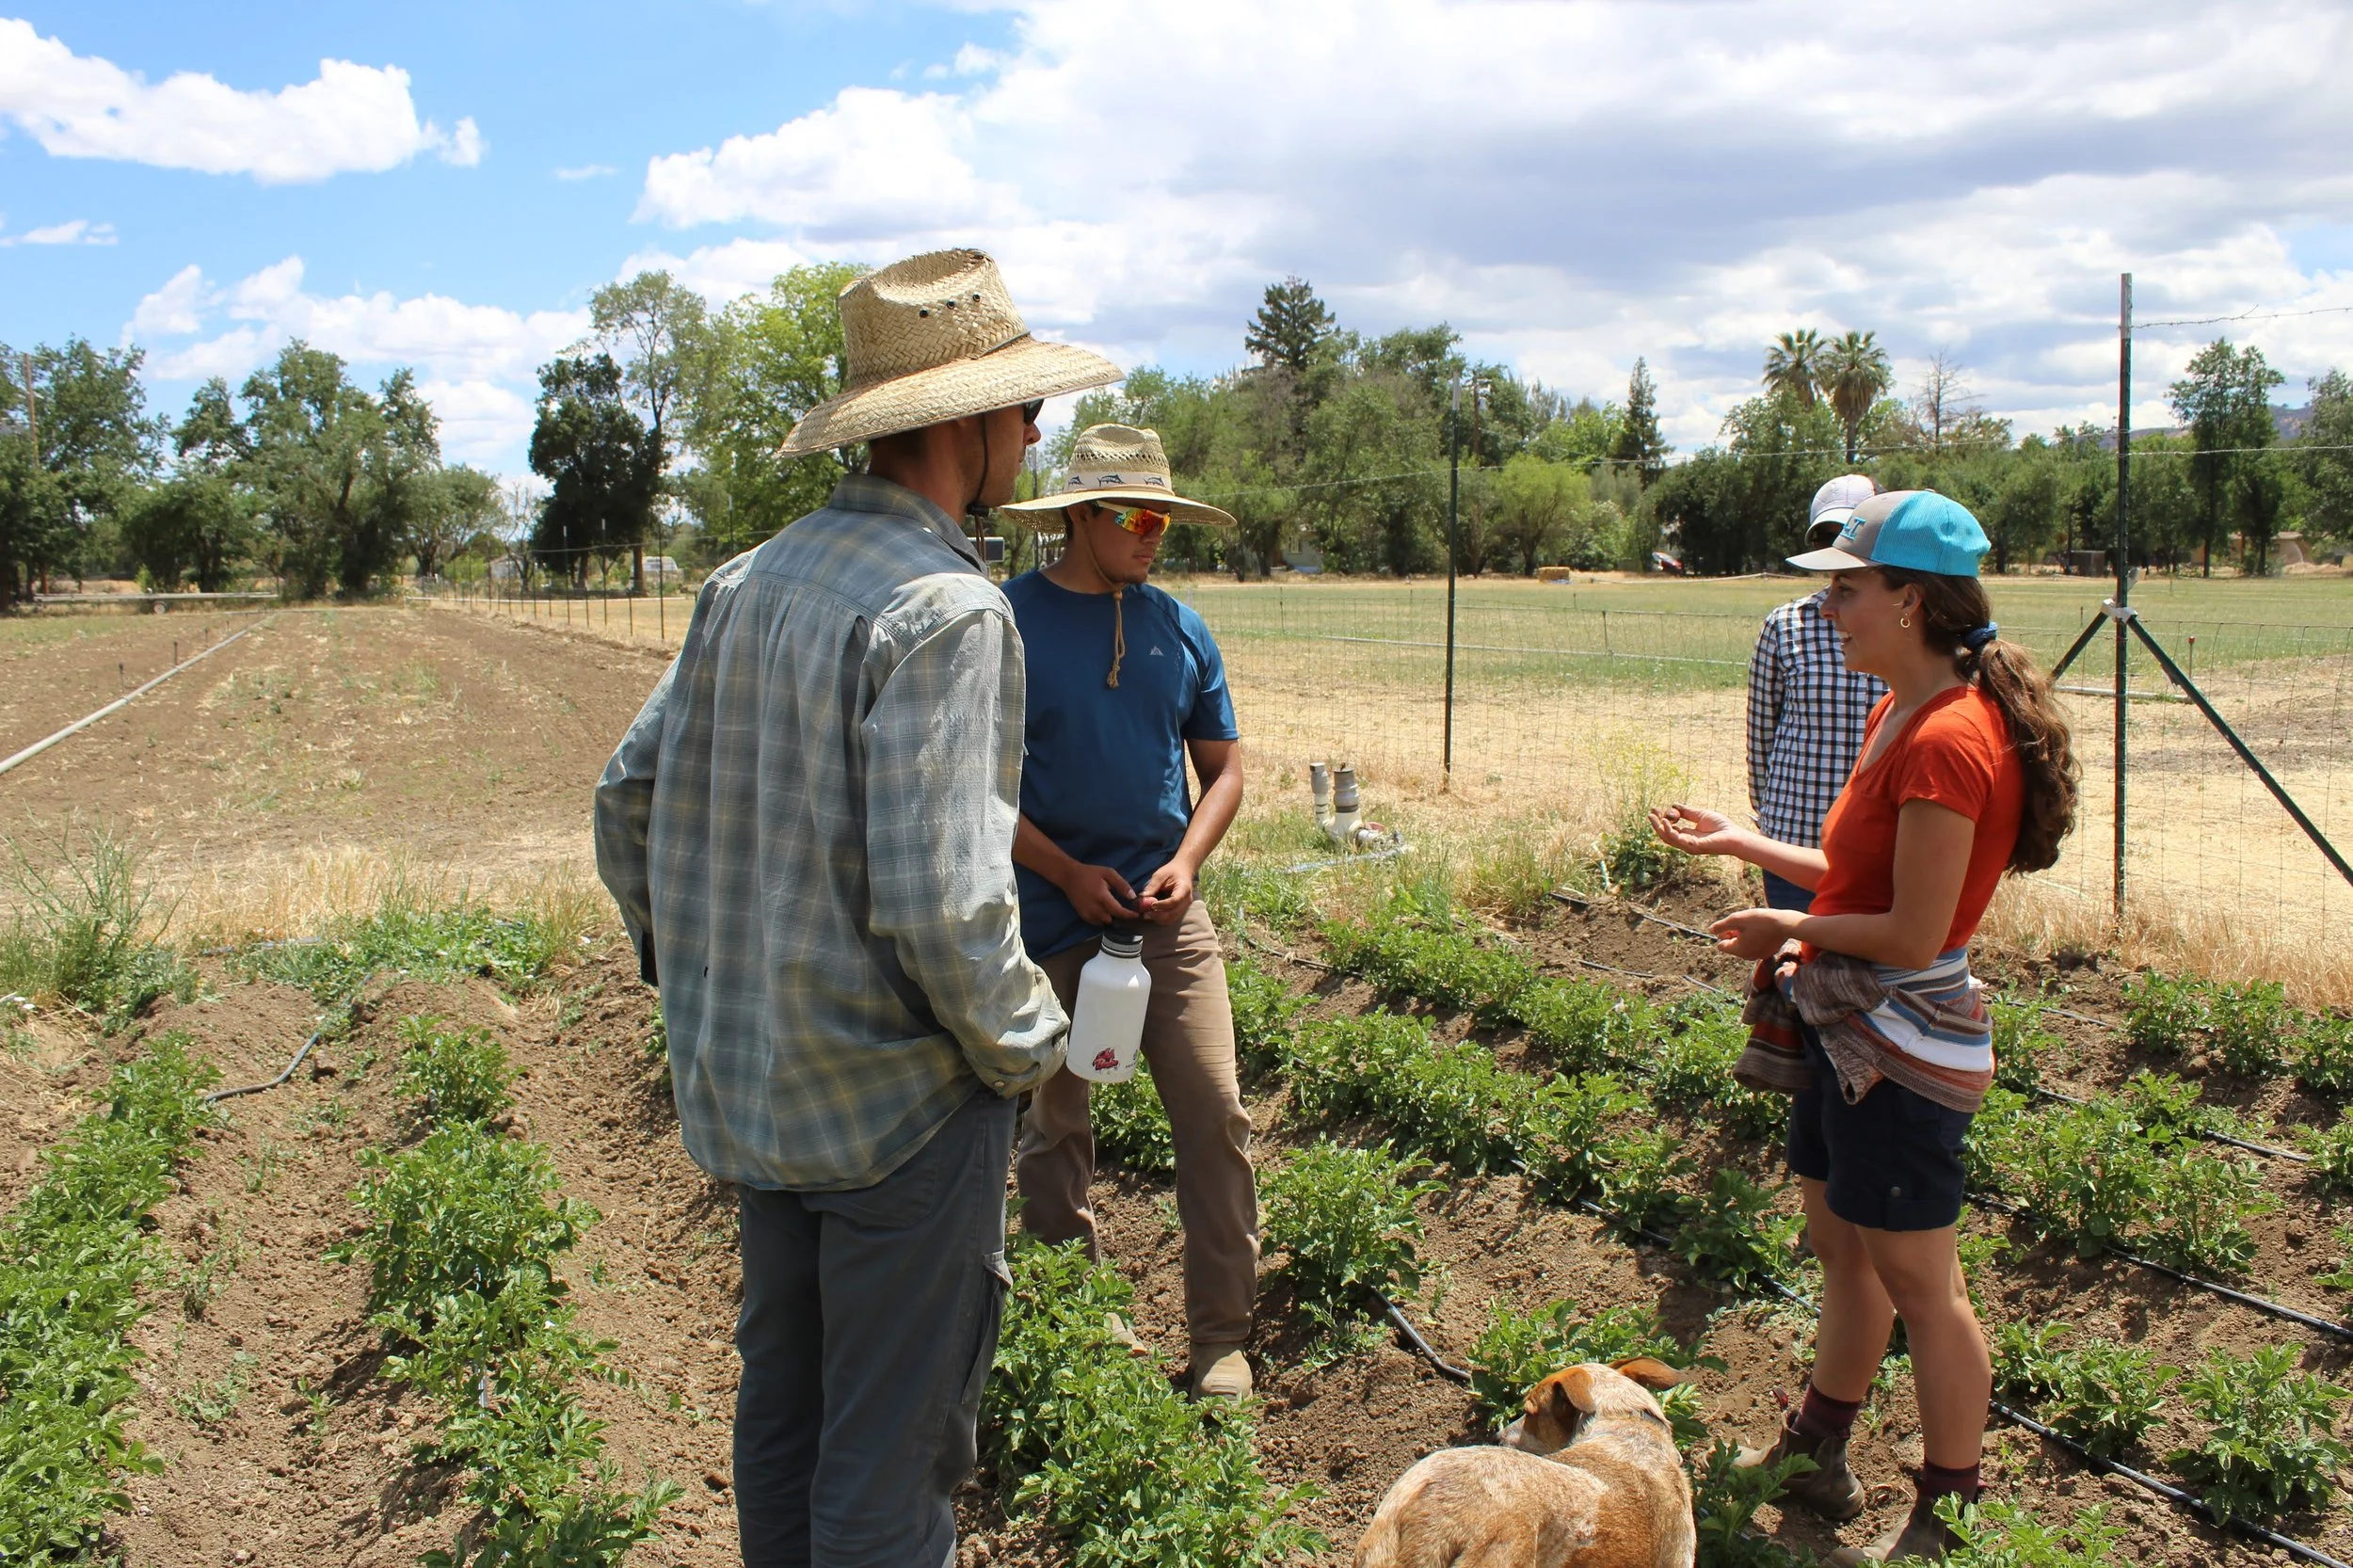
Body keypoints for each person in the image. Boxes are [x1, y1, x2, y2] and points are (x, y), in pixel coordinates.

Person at [592, 248, 1121, 1568]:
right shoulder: (947, 610)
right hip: (898, 1119)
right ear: (956, 425)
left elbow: (627, 798)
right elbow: (947, 904)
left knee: (785, 1412)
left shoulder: (744, 578)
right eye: (1019, 408)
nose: (1035, 429)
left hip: (757, 1096)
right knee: (890, 1470)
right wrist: (1022, 1050)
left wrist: (705, 982)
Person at [1649, 490, 2078, 1565]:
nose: (1827, 606)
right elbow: (1859, 875)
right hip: (1844, 1028)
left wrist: (1784, 922)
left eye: (1847, 588)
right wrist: (1743, 841)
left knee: (1926, 1291)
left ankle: (1948, 1507)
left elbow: (1912, 928)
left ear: (1911, 601)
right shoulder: (1897, 711)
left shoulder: (1950, 739)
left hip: (1899, 1044)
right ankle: (1818, 1450)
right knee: (1844, 1250)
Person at [995, 424, 1258, 1399]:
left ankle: (1220, 1340)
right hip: (1050, 912)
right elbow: (975, 785)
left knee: (1215, 1112)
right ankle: (1072, 1307)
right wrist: (1063, 871)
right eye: (1138, 517)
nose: (1155, 536)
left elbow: (1224, 769)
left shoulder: (1179, 627)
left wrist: (1187, 860)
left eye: (1164, 519)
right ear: (1078, 516)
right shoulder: (1006, 623)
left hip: (1163, 918)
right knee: (1056, 1120)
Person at [1745, 474, 1885, 912]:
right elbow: (1761, 735)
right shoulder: (1787, 624)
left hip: (1877, 843)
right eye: (1828, 536)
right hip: (1795, 834)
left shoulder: (1906, 626)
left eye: (1849, 534)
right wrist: (1769, 816)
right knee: (1793, 965)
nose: (1838, 548)